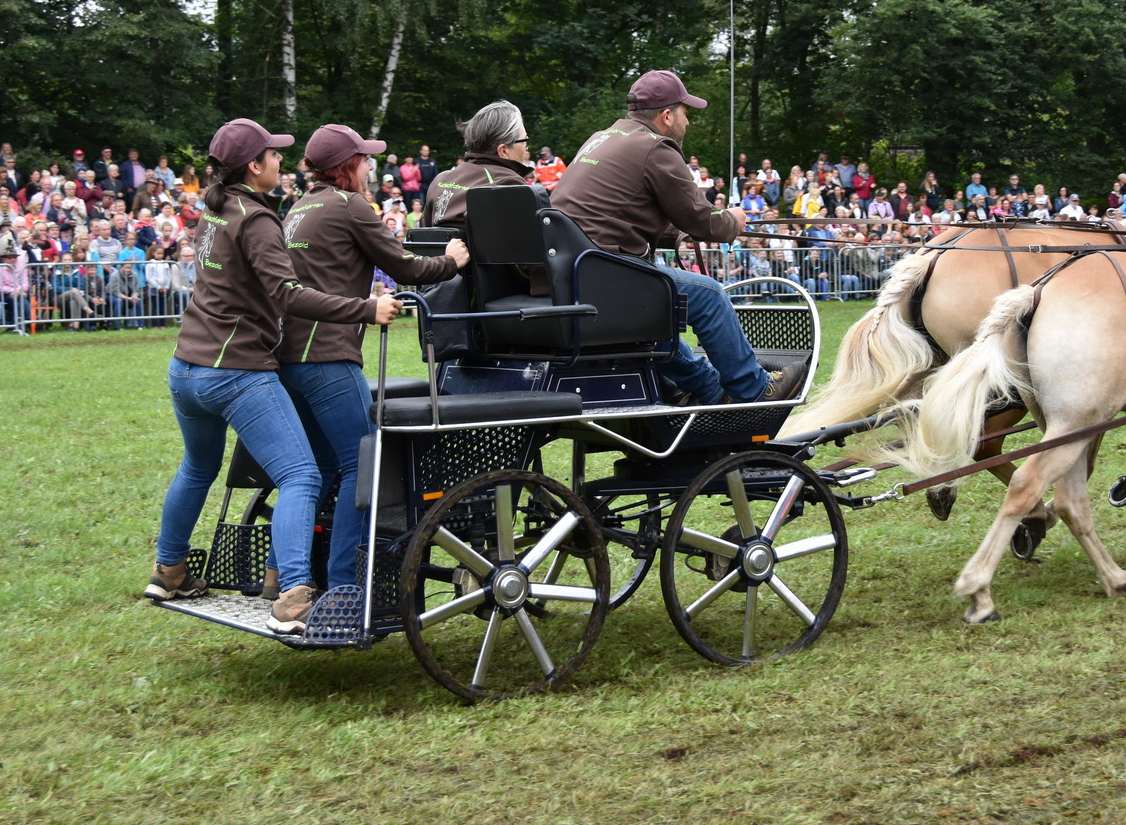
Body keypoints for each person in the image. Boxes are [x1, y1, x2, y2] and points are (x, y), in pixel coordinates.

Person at [149, 118, 401, 637]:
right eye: (273, 154)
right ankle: (291, 597)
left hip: (185, 367)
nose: (281, 161)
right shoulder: (257, 219)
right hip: (236, 371)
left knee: (198, 468)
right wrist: (364, 307)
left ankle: (169, 570)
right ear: (253, 166)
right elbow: (287, 294)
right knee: (302, 475)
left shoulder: (214, 211)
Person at [275, 123, 468, 593]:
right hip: (328, 356)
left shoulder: (297, 208)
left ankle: (285, 577)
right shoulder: (350, 205)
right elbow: (403, 265)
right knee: (363, 463)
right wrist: (452, 261)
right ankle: (344, 583)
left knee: (316, 468)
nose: (370, 166)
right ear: (347, 166)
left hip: (287, 357)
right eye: (364, 159)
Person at [552, 70, 805, 405]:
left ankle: (705, 388)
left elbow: (622, 211)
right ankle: (755, 389)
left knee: (657, 309)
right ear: (667, 115)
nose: (689, 123)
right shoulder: (654, 146)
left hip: (574, 275)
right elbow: (703, 219)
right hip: (604, 275)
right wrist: (732, 219)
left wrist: (678, 234)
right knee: (709, 295)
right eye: (686, 113)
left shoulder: (603, 137)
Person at [423, 100, 535, 228]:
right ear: (503, 151)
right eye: (525, 140)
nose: (527, 147)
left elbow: (421, 236)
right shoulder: (509, 183)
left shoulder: (441, 179)